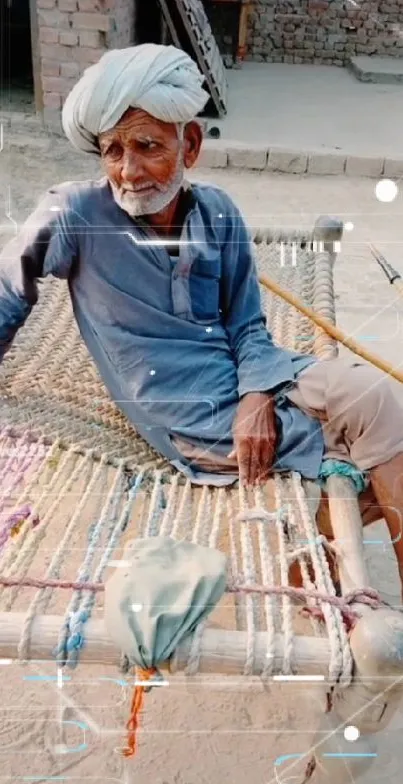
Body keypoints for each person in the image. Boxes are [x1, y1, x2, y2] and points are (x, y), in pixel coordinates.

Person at [0, 43, 403, 596]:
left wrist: (258, 394)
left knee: (378, 401)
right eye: (112, 150)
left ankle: (319, 554)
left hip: (251, 376)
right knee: (376, 447)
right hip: (186, 411)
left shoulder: (218, 212)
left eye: (147, 146)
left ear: (189, 145)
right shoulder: (73, 213)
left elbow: (247, 323)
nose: (128, 170)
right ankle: (324, 557)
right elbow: (8, 289)